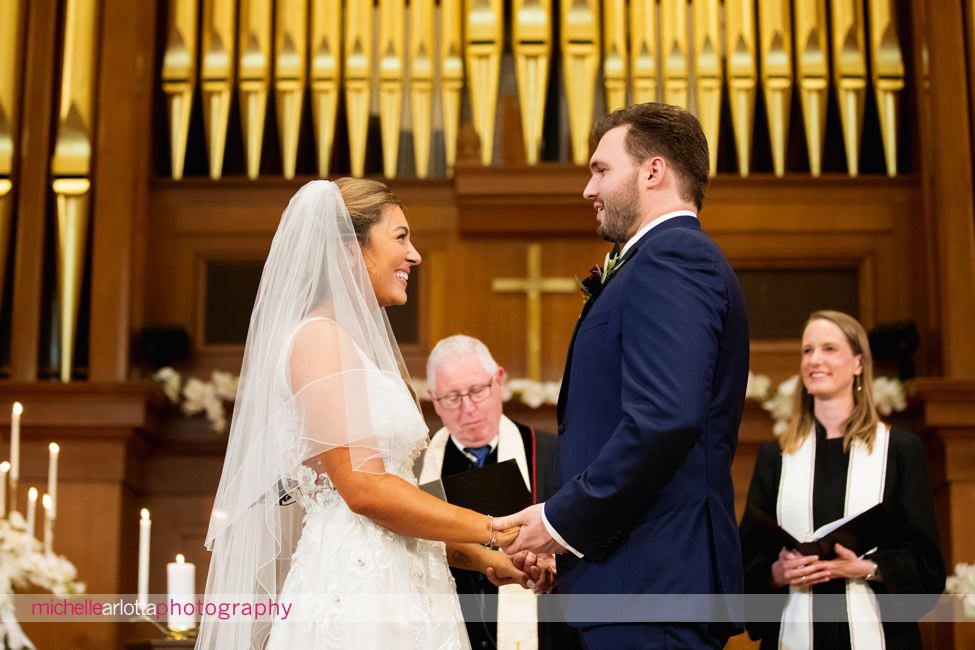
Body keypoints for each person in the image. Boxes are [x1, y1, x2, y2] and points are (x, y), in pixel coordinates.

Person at [196, 179, 526, 650]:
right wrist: (493, 529)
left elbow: (394, 494)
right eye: (400, 237)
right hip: (357, 595)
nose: (414, 255)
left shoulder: (351, 347)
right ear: (351, 248)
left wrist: (487, 555)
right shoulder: (317, 338)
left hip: (400, 583)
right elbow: (364, 489)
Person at [493, 102, 750, 648]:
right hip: (632, 578)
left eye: (601, 169)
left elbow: (663, 419)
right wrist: (565, 542)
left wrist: (559, 522)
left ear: (653, 171)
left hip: (652, 582)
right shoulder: (656, 261)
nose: (588, 189)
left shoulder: (674, 256)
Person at [739, 310, 945, 649]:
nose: (815, 360)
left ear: (859, 363)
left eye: (829, 349)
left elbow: (926, 565)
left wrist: (864, 567)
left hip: (879, 636)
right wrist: (777, 573)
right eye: (807, 350)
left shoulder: (899, 451)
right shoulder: (776, 457)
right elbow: (747, 558)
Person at [417, 335, 581, 650]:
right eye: (452, 397)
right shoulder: (418, 468)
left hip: (544, 629)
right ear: (434, 400)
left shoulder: (555, 455)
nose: (468, 409)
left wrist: (557, 564)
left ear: (499, 381)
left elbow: (585, 533)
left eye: (478, 391)